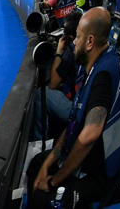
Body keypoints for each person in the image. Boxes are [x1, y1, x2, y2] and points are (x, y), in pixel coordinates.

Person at [29, 7, 120, 206]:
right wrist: (48, 163)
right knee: (37, 164)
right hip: (93, 160)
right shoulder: (102, 61)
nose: (74, 42)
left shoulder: (101, 78)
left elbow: (89, 136)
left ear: (90, 42)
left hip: (99, 173)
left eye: (77, 36)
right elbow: (74, 122)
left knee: (41, 198)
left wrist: (53, 181)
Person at [33, 11, 83, 140]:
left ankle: (39, 143)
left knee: (40, 95)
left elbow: (53, 84)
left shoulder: (72, 50)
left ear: (70, 37)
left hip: (78, 111)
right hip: (85, 104)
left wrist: (59, 52)